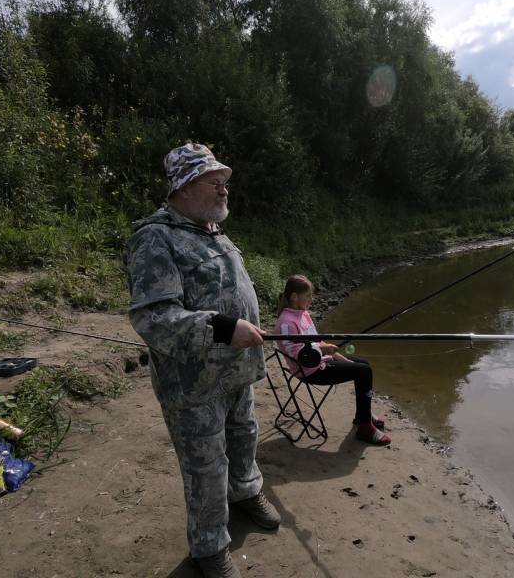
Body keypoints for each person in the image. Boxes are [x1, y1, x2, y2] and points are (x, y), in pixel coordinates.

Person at [125, 142, 280, 578]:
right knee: (205, 465)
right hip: (193, 385)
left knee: (244, 438)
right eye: (215, 182)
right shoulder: (155, 238)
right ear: (186, 186)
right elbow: (152, 317)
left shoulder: (213, 230)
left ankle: (246, 493)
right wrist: (223, 329)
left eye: (225, 181)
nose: (224, 189)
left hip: (237, 373)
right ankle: (209, 547)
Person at [274, 275, 392, 445]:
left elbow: (316, 341)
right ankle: (365, 428)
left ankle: (362, 415)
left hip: (321, 361)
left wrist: (338, 356)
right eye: (307, 296)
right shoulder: (286, 323)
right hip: (310, 371)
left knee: (363, 365)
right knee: (364, 371)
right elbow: (299, 354)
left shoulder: (303, 314)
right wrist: (324, 349)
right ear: (294, 297)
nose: (311, 300)